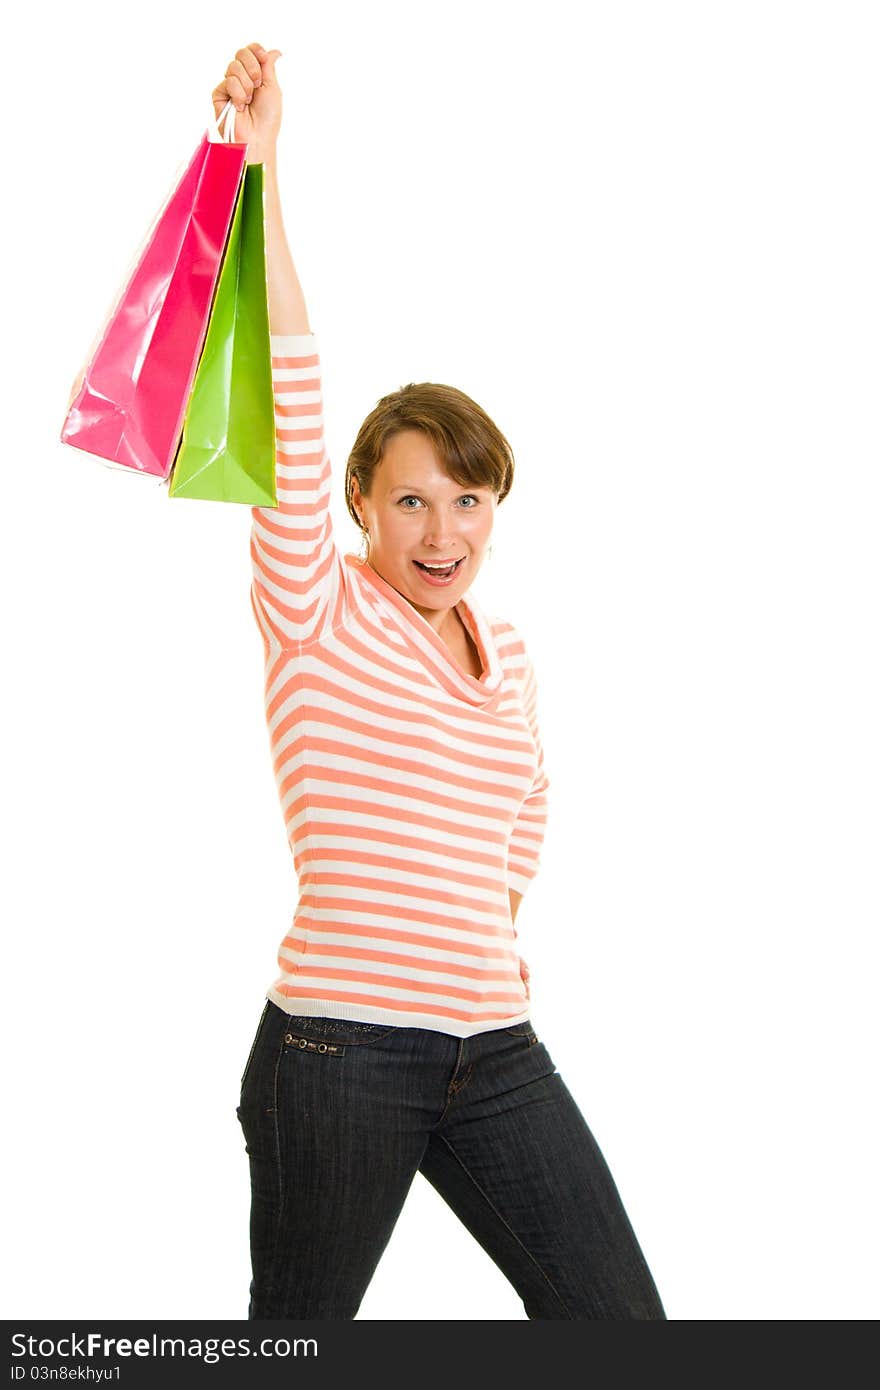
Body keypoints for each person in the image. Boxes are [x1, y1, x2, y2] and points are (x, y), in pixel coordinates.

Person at [216, 41, 666, 1321]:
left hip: (496, 1052)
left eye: (466, 499)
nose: (440, 530)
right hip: (337, 1053)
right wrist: (263, 171)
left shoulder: (504, 644)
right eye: (408, 499)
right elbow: (293, 394)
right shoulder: (317, 607)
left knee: (622, 1324)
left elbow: (524, 814)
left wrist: (483, 945)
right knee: (295, 1349)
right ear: (358, 503)